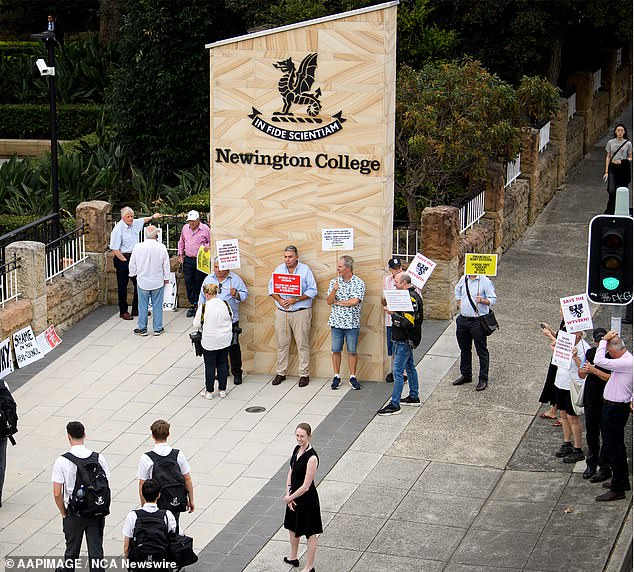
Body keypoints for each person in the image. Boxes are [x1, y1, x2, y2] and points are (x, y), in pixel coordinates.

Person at [51, 421, 110, 572]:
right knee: (96, 553)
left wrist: (64, 513)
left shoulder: (62, 461)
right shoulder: (98, 458)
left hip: (73, 513)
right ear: (84, 435)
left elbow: (57, 492)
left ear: (68, 437)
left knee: (71, 553)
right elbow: (105, 485)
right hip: (95, 513)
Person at [268, 246, 318, 387]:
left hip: (300, 311)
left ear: (296, 257)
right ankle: (281, 372)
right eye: (285, 257)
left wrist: (295, 299)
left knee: (303, 343)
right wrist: (279, 300)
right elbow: (271, 288)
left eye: (290, 257)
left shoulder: (305, 270)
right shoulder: (279, 269)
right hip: (282, 311)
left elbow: (313, 290)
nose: (287, 259)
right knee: (282, 344)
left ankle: (304, 374)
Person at [593, 332, 633, 502]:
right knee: (617, 447)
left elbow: (598, 361)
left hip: (615, 409)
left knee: (613, 448)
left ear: (615, 352)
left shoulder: (625, 362)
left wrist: (603, 341)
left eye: (609, 351)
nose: (607, 354)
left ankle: (617, 488)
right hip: (616, 408)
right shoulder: (627, 360)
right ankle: (622, 481)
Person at [377, 273, 423, 416]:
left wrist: (393, 314)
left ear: (404, 282)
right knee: (409, 367)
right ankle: (414, 396)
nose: (395, 284)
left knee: (397, 372)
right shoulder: (409, 296)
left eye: (396, 282)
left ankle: (394, 404)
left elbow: (408, 323)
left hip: (404, 339)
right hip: (403, 339)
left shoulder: (410, 298)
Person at [199, 258, 248, 384]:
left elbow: (244, 295)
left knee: (234, 347)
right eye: (215, 267)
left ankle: (237, 372)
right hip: (212, 322)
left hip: (230, 320)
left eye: (220, 268)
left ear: (227, 267)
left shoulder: (235, 279)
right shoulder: (209, 279)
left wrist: (236, 294)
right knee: (217, 347)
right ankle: (223, 371)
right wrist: (201, 316)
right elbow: (202, 298)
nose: (217, 270)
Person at [137, 420, 194, 526]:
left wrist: (144, 504)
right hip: (175, 499)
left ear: (152, 436)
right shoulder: (178, 455)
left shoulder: (147, 458)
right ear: (168, 434)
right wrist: (191, 500)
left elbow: (142, 483)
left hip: (157, 501)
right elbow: (187, 479)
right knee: (174, 527)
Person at [109, 207, 161, 320]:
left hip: (134, 257)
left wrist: (153, 217)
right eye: (128, 216)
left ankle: (136, 309)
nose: (131, 218)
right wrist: (125, 262)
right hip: (122, 258)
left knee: (139, 283)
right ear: (122, 217)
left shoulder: (134, 223)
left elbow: (143, 220)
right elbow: (115, 249)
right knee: (122, 286)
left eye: (132, 216)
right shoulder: (118, 229)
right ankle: (123, 311)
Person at [283, 423, 322, 572]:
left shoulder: (312, 458)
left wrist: (289, 497)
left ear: (309, 436)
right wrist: (289, 494)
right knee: (292, 527)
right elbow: (291, 471)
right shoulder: (296, 449)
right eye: (297, 435)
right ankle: (293, 556)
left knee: (310, 532)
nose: (299, 439)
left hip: (307, 500)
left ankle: (309, 566)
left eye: (302, 436)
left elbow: (306, 486)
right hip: (294, 496)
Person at [327, 256, 365, 390]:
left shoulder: (358, 283)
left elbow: (355, 301)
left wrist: (339, 303)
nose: (337, 269)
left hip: (352, 323)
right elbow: (329, 301)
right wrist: (334, 290)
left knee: (352, 351)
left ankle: (353, 377)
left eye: (340, 266)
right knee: (335, 350)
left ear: (348, 268)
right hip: (336, 322)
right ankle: (336, 376)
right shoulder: (334, 282)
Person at [579, 328, 613, 482]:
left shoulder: (612, 356)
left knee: (606, 434)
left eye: (602, 341)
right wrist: (583, 367)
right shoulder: (591, 353)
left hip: (607, 398)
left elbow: (612, 379)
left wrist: (594, 370)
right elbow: (581, 373)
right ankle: (591, 464)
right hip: (591, 398)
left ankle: (604, 466)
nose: (600, 344)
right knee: (591, 433)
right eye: (598, 341)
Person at [453, 274, 497, 391]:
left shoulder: (485, 281)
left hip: (477, 321)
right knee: (464, 349)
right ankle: (466, 375)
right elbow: (457, 290)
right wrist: (460, 303)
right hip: (463, 319)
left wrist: (482, 300)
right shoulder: (464, 279)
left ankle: (483, 379)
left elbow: (493, 299)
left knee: (481, 350)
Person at [553, 331, 590, 464]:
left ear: (580, 333)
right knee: (563, 415)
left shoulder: (584, 347)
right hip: (561, 382)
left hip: (573, 385)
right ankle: (567, 442)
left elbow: (585, 370)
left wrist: (575, 357)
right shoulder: (565, 342)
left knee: (572, 417)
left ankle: (578, 448)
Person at [128, 225, 170, 336]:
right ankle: (158, 327)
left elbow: (132, 263)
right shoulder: (161, 247)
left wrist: (133, 274)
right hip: (157, 280)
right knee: (157, 305)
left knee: (142, 305)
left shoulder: (138, 247)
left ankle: (142, 327)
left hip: (143, 280)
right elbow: (166, 264)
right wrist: (166, 277)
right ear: (156, 235)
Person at [193, 283, 233, 398]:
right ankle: (222, 390)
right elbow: (231, 317)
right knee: (222, 363)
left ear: (206, 294)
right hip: (225, 339)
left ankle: (209, 391)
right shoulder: (225, 304)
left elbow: (196, 323)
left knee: (210, 365)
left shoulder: (204, 307)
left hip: (210, 340)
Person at [123, 479, 177, 562]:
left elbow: (126, 547)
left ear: (142, 494)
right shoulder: (167, 515)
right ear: (159, 495)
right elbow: (176, 538)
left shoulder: (133, 516)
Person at [178, 210, 211, 318]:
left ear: (198, 220)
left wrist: (208, 246)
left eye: (193, 221)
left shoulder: (205, 229)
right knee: (188, 281)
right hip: (188, 259)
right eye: (189, 221)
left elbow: (211, 241)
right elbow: (181, 241)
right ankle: (193, 303)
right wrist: (180, 254)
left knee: (199, 282)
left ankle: (199, 304)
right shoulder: (185, 228)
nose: (191, 223)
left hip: (200, 259)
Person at [537, 318, 566, 426]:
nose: (560, 310)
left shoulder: (571, 327)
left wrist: (549, 335)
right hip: (557, 359)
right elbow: (559, 336)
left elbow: (564, 345)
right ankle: (553, 410)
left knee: (559, 385)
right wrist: (550, 329)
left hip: (562, 359)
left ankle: (562, 415)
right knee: (554, 383)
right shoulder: (564, 323)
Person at [603, 123, 632, 214]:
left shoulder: (628, 143)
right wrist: (606, 171)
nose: (620, 132)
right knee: (611, 190)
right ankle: (610, 209)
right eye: (618, 130)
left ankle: (621, 209)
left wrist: (623, 161)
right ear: (615, 132)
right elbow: (608, 157)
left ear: (624, 132)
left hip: (623, 168)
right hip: (613, 167)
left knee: (622, 189)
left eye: (622, 131)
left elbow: (630, 157)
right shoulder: (610, 142)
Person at [381, 257, 402, 383]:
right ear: (390, 270)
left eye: (399, 267)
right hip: (390, 318)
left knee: (402, 346)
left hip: (402, 318)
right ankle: (395, 370)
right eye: (394, 269)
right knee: (392, 346)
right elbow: (384, 298)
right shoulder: (387, 280)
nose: (397, 270)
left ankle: (402, 371)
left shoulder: (405, 279)